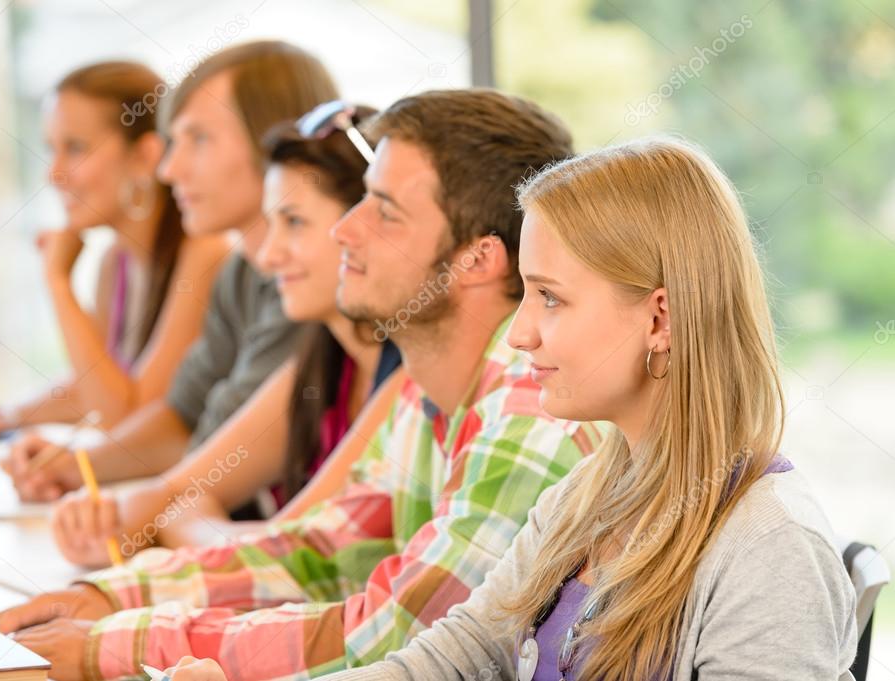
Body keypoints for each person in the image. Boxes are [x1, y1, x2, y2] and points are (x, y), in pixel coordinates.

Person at [0, 89, 602, 681]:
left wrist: (114, 645)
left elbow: (396, 637)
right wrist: (104, 597)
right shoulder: (425, 396)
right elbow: (319, 554)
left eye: (383, 211)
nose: (345, 230)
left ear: (478, 260)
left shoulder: (529, 410)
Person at [293, 137, 854, 681]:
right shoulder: (586, 494)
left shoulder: (771, 546)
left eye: (550, 297)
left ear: (660, 319)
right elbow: (458, 657)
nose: (518, 334)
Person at [49, 104, 406, 567]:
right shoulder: (319, 358)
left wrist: (188, 524)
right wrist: (100, 518)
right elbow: (177, 491)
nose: (269, 254)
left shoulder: (407, 378)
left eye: (294, 223)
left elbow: (293, 553)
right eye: (271, 223)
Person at [0, 41, 340, 505]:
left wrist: (58, 284)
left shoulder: (306, 284)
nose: (171, 167)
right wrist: (74, 468)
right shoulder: (241, 274)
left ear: (275, 143)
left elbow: (195, 447)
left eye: (198, 139)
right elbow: (181, 419)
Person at [0, 61, 230, 440]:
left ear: (145, 156)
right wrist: (8, 415)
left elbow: (127, 416)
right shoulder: (116, 262)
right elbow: (98, 387)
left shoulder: (204, 255)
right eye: (52, 149)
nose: (53, 174)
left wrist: (58, 283)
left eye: (76, 148)